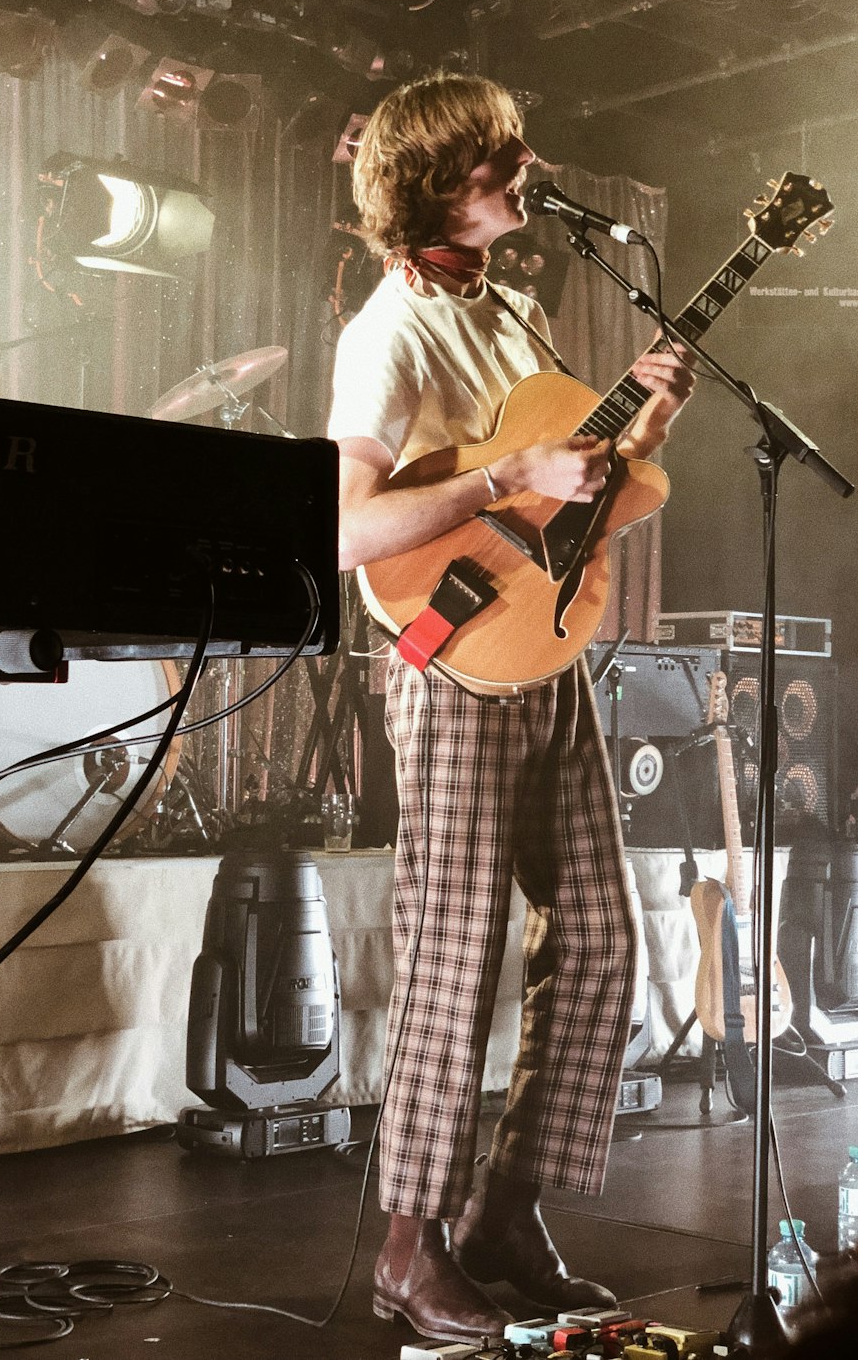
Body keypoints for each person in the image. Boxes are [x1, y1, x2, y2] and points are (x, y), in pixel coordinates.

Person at [326, 72, 695, 1345]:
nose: (521, 166)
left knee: (601, 935)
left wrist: (639, 424)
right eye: (494, 158)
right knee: (454, 953)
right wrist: (503, 471)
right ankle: (405, 1247)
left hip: (542, 654)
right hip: (446, 660)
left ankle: (504, 1214)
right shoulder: (387, 332)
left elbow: (571, 493)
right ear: (434, 187)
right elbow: (345, 526)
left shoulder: (518, 308)